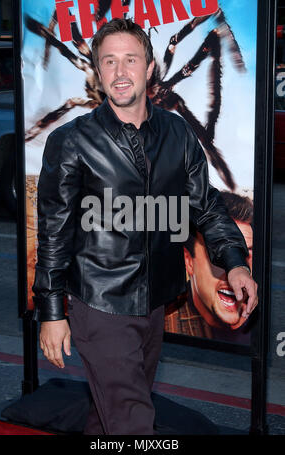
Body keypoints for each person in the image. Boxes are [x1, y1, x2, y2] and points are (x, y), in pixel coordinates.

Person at [32, 18, 258, 435]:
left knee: (110, 415)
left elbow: (206, 206)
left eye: (130, 60)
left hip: (155, 301)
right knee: (133, 421)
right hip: (99, 303)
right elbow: (54, 233)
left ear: (150, 67)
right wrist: (50, 311)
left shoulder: (177, 132)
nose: (120, 73)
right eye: (109, 62)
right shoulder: (71, 141)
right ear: (98, 72)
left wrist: (236, 262)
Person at [165, 192, 255, 341]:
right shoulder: (164, 324)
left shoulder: (264, 321)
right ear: (188, 261)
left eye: (245, 254)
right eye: (220, 254)